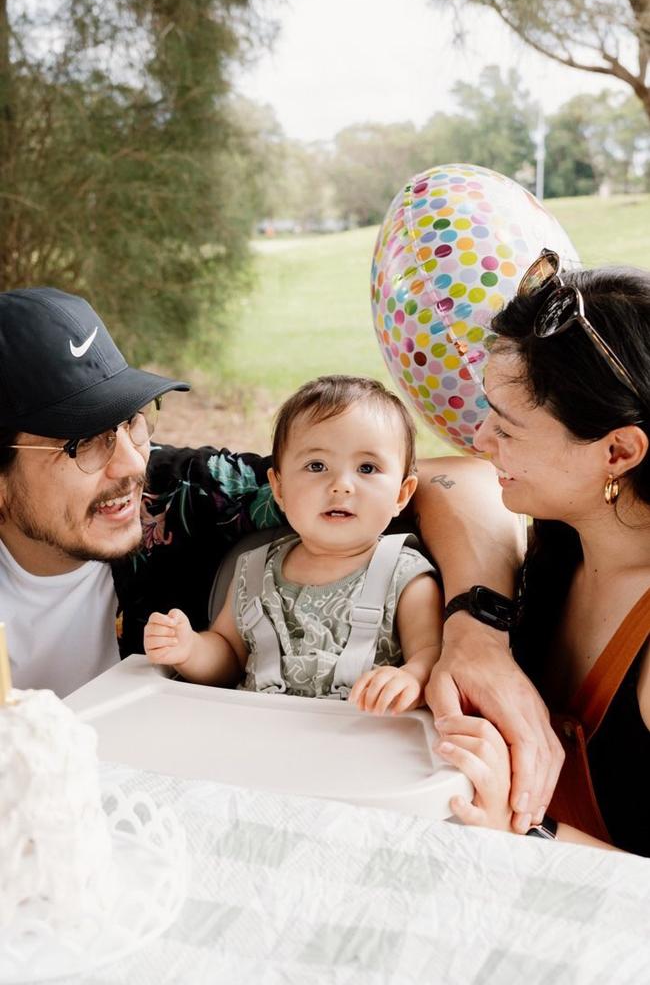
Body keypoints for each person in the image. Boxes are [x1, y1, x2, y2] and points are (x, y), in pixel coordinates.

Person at [0, 284, 561, 825]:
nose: (130, 465)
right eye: (84, 442)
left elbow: (463, 484)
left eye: (132, 424)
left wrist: (477, 638)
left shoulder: (183, 496)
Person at [437, 252, 650, 856]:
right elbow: (444, 481)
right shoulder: (567, 531)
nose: (480, 441)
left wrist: (528, 827)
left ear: (617, 452)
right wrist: (476, 631)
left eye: (505, 429)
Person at [143, 376, 442, 711]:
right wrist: (190, 649)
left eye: (367, 468)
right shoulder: (254, 570)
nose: (341, 485)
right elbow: (227, 655)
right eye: (317, 466)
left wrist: (412, 678)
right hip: (261, 738)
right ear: (279, 489)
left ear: (401, 493)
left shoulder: (406, 577)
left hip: (359, 740)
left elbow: (433, 655)